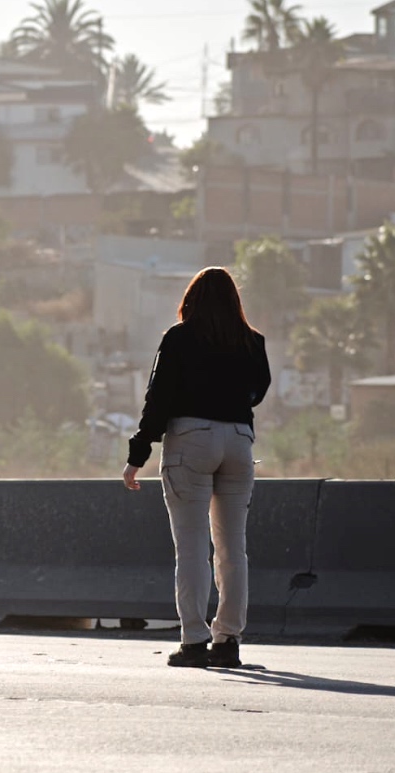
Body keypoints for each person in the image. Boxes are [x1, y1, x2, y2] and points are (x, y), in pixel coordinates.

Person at [122, 267, 271, 668]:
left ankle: (194, 641)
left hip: (191, 439)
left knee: (191, 547)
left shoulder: (179, 337)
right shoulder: (251, 341)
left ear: (191, 300)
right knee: (232, 548)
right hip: (239, 440)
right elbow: (258, 392)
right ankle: (228, 640)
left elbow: (159, 399)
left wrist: (138, 455)